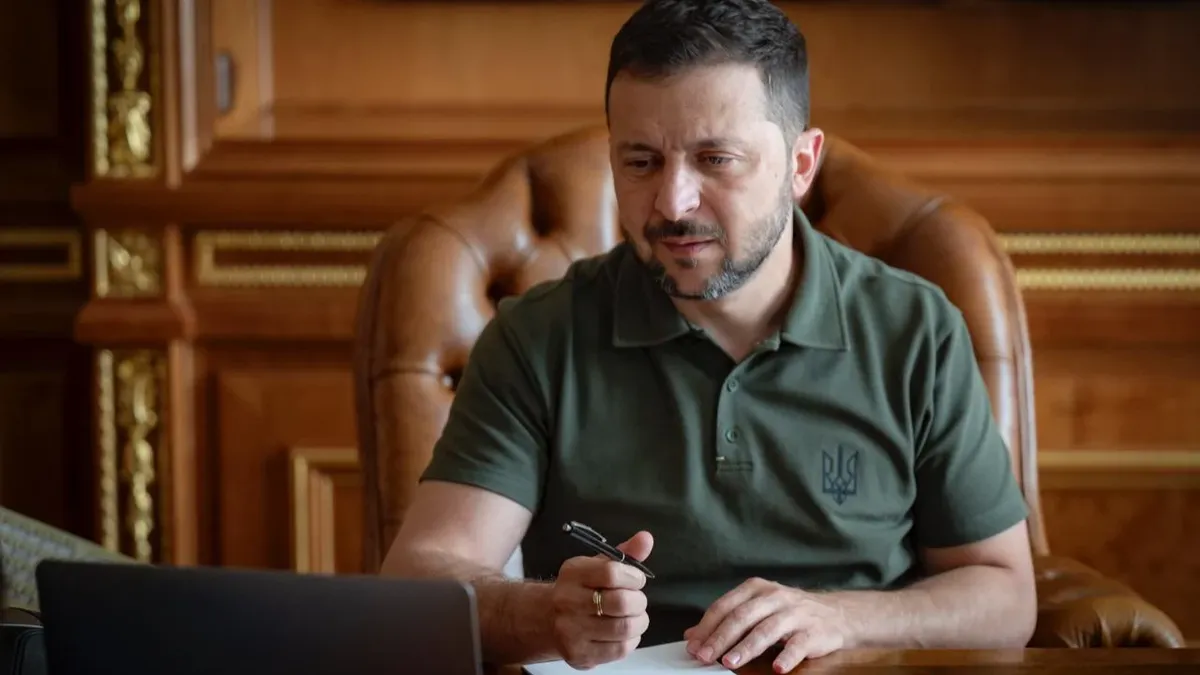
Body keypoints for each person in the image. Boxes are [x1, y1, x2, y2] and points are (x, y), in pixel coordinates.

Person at [380, 0, 1037, 671]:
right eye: (641, 162)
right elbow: (419, 578)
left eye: (715, 159)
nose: (673, 203)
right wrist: (545, 614)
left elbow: (1005, 595)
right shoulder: (538, 336)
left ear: (800, 164)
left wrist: (844, 619)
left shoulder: (914, 329)